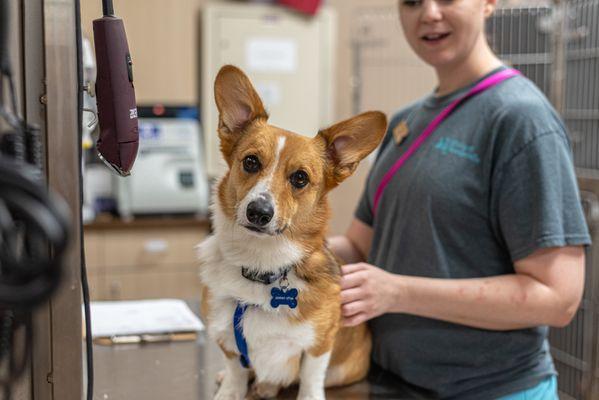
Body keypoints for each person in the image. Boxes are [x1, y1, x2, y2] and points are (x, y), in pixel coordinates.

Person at [327, 0, 591, 398]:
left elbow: (557, 299)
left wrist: (397, 292)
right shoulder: (405, 122)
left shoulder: (520, 119)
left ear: (488, 3)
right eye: (412, 2)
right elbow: (361, 246)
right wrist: (272, 251)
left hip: (493, 389)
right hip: (395, 382)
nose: (429, 14)